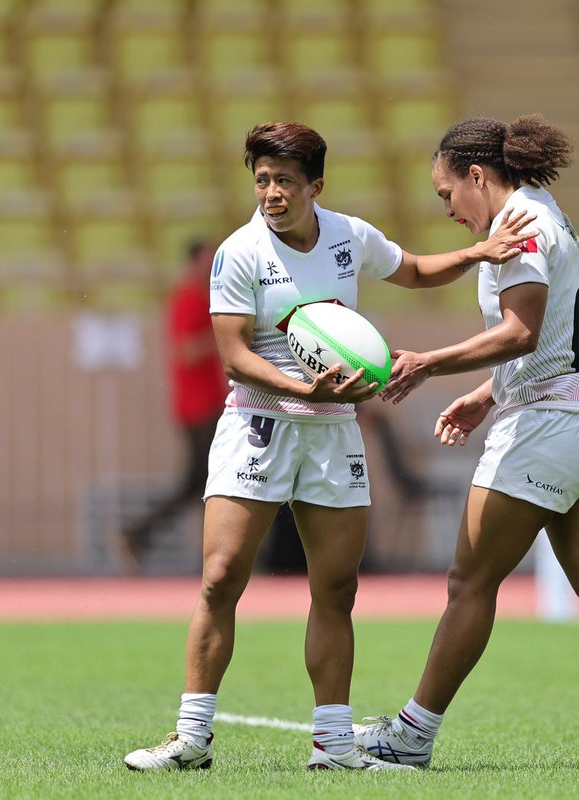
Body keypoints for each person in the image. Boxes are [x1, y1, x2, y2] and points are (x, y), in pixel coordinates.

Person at [122, 121, 535, 773]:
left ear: (316, 185)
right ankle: (191, 738)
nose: (271, 193)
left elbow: (416, 269)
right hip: (257, 424)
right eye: (261, 180)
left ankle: (334, 746)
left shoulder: (348, 236)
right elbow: (232, 356)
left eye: (285, 180)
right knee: (221, 577)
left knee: (337, 588)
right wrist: (297, 387)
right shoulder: (238, 254)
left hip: (332, 432)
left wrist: (478, 255)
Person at [351, 115, 579, 771]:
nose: (448, 209)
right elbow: (552, 334)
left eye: (447, 193)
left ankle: (412, 735)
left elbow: (522, 333)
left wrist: (428, 361)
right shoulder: (545, 212)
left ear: (477, 176)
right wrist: (487, 395)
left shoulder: (526, 226)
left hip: (546, 429)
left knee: (469, 582)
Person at [119, 239, 227, 574]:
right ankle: (139, 533)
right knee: (207, 483)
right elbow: (187, 350)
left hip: (207, 405)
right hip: (199, 408)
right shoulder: (188, 300)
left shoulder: (205, 299)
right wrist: (226, 335)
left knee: (200, 483)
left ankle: (139, 534)